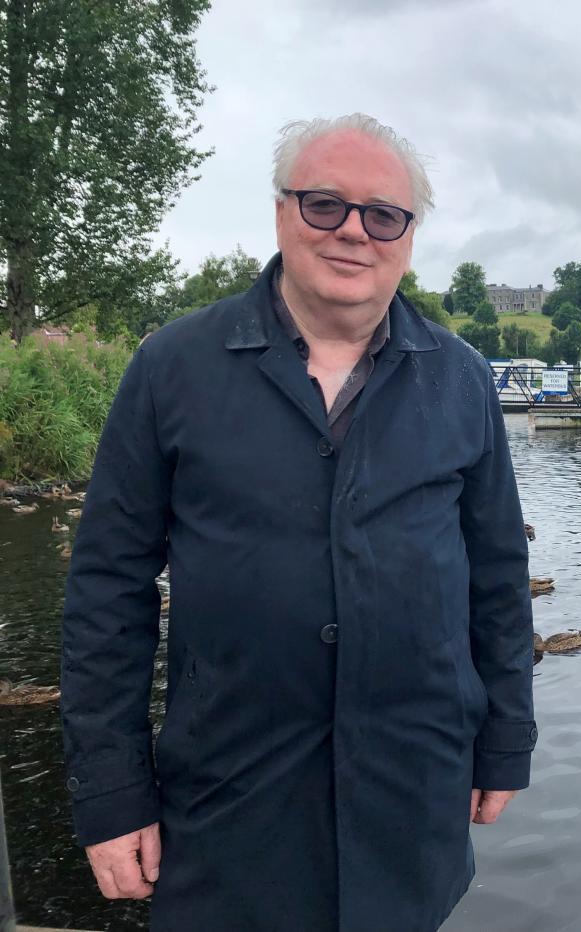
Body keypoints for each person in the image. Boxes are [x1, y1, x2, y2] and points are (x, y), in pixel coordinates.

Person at [60, 113, 537, 931]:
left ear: (408, 237)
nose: (354, 230)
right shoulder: (172, 367)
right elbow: (108, 587)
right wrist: (109, 790)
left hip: (410, 798)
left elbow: (495, 571)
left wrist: (505, 741)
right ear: (283, 212)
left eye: (382, 214)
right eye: (325, 205)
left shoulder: (458, 380)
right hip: (227, 803)